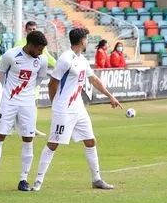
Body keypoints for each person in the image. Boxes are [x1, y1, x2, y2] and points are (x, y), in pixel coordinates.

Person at [33, 27, 122, 191]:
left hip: (78, 108)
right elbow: (53, 83)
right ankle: (38, 181)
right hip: (64, 109)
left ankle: (96, 179)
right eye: (86, 39)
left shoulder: (82, 59)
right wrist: (56, 104)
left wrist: (110, 96)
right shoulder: (65, 59)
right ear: (82, 41)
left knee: (90, 141)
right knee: (53, 143)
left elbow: (94, 79)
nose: (87, 41)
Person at [0, 30, 50, 192]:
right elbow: (1, 74)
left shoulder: (42, 60)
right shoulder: (10, 55)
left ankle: (23, 179)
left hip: (27, 104)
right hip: (9, 102)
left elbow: (39, 79)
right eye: (39, 49)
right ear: (31, 45)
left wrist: (26, 93)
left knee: (28, 139)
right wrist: (10, 91)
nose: (40, 52)